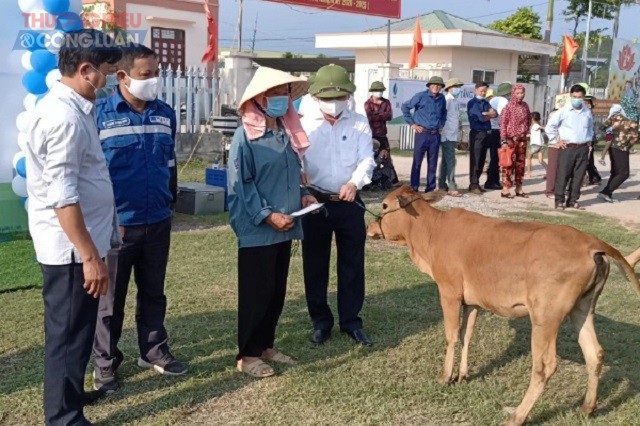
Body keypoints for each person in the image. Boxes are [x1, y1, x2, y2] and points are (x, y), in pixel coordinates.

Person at [25, 29, 121, 425]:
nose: (111, 79)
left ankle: (70, 397)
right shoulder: (63, 118)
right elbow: (62, 197)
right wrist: (90, 256)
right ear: (85, 70)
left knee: (77, 333)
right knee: (67, 336)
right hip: (71, 251)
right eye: (107, 72)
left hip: (83, 244)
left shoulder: (77, 107)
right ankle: (63, 417)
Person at [92, 44, 187, 393]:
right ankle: (105, 364)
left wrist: (170, 205)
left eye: (156, 74)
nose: (153, 81)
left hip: (158, 220)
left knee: (153, 292)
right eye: (146, 75)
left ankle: (153, 351)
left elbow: (170, 165)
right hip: (117, 226)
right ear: (122, 76)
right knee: (109, 301)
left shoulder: (164, 113)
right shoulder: (99, 113)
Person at [228, 67, 315, 377]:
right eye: (276, 93)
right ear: (260, 99)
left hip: (286, 225)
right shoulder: (245, 136)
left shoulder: (285, 133)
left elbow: (294, 174)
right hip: (258, 227)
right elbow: (241, 184)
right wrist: (267, 215)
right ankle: (247, 354)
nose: (282, 99)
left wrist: (304, 195)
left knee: (276, 290)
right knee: (256, 291)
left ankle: (266, 345)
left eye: (286, 93)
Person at [301, 64, 375, 346]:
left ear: (348, 96)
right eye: (328, 98)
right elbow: (295, 159)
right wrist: (300, 180)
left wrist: (354, 182)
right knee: (315, 264)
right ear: (316, 97)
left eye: (339, 97)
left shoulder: (358, 121)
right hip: (314, 201)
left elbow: (366, 158)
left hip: (349, 201)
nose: (334, 104)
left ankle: (351, 321)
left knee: (352, 264)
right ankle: (320, 322)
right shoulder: (304, 122)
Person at [545, 84, 594, 210]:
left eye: (579, 97)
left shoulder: (587, 112)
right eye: (574, 96)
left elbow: (590, 128)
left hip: (582, 147)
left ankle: (573, 200)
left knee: (579, 176)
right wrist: (556, 141)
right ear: (570, 96)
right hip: (567, 147)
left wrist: (589, 141)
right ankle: (559, 200)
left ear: (583, 98)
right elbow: (550, 127)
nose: (577, 99)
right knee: (563, 174)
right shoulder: (563, 111)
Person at [401, 76, 447, 192]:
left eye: (438, 85)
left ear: (441, 87)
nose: (436, 87)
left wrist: (441, 123)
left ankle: (430, 188)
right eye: (433, 85)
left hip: (435, 135)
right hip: (422, 134)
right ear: (429, 86)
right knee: (417, 161)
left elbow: (443, 112)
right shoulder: (420, 96)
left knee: (433, 163)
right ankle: (414, 188)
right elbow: (405, 107)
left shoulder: (442, 98)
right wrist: (412, 124)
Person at [597, 100, 639, 202]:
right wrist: (628, 146)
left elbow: (601, 127)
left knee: (615, 172)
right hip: (622, 148)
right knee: (624, 173)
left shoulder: (613, 118)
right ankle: (606, 192)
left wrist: (611, 132)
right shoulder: (631, 122)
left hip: (612, 147)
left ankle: (608, 193)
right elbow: (635, 137)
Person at [364, 81, 399, 189]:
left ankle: (393, 181)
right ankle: (369, 182)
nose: (379, 92)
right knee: (372, 159)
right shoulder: (367, 103)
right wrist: (382, 114)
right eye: (376, 90)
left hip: (383, 135)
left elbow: (389, 116)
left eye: (380, 90)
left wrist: (377, 114)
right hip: (371, 135)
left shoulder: (386, 102)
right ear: (372, 91)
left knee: (387, 158)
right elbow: (370, 117)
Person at [499, 84, 531, 198]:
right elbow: (503, 124)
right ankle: (505, 189)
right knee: (508, 164)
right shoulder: (508, 107)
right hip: (510, 139)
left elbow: (529, 120)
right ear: (513, 93)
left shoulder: (525, 106)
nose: (520, 95)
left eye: (522, 93)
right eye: (517, 93)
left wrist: (526, 132)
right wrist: (503, 140)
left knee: (520, 164)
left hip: (522, 139)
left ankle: (519, 188)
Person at [466, 81, 498, 195]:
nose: (483, 93)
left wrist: (488, 114)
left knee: (482, 160)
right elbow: (480, 118)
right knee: (475, 159)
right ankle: (473, 184)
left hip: (486, 133)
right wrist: (488, 115)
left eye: (485, 91)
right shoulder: (472, 103)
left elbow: (496, 114)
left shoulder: (486, 102)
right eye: (481, 91)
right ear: (476, 90)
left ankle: (477, 182)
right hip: (477, 133)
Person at [439, 77, 464, 196]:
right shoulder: (447, 100)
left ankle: (442, 185)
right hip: (446, 134)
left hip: (452, 134)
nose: (458, 89)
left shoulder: (455, 101)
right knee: (451, 160)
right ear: (449, 88)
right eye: (456, 87)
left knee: (445, 160)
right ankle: (452, 186)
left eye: (459, 87)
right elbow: (442, 117)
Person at [486, 82, 513, 189]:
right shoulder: (504, 101)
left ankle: (492, 180)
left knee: (493, 157)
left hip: (491, 130)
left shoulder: (493, 99)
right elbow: (504, 119)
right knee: (497, 158)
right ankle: (493, 181)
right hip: (498, 131)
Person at [583, 95, 603, 186]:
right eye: (584, 102)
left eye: (587, 102)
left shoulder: (590, 113)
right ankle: (593, 177)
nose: (585, 103)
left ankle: (594, 177)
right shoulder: (584, 112)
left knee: (588, 160)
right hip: (584, 139)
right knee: (587, 160)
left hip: (589, 140)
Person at [527, 112, 548, 178]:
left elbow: (542, 128)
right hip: (542, 145)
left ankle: (529, 173)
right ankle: (548, 172)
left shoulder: (535, 125)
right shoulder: (536, 125)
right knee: (540, 160)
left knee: (529, 157)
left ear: (532, 118)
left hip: (535, 145)